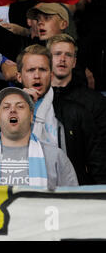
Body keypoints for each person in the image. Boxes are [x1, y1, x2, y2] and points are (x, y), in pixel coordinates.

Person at [16, 44, 106, 185]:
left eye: (43, 70)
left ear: (51, 75)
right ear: (19, 77)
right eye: (31, 70)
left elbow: (98, 164)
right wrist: (21, 107)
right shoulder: (7, 113)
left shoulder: (76, 112)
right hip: (22, 194)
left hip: (68, 194)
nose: (37, 75)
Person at [0, 87, 78, 188]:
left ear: (31, 116)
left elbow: (72, 200)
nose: (13, 110)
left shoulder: (55, 156)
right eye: (6, 107)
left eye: (20, 106)